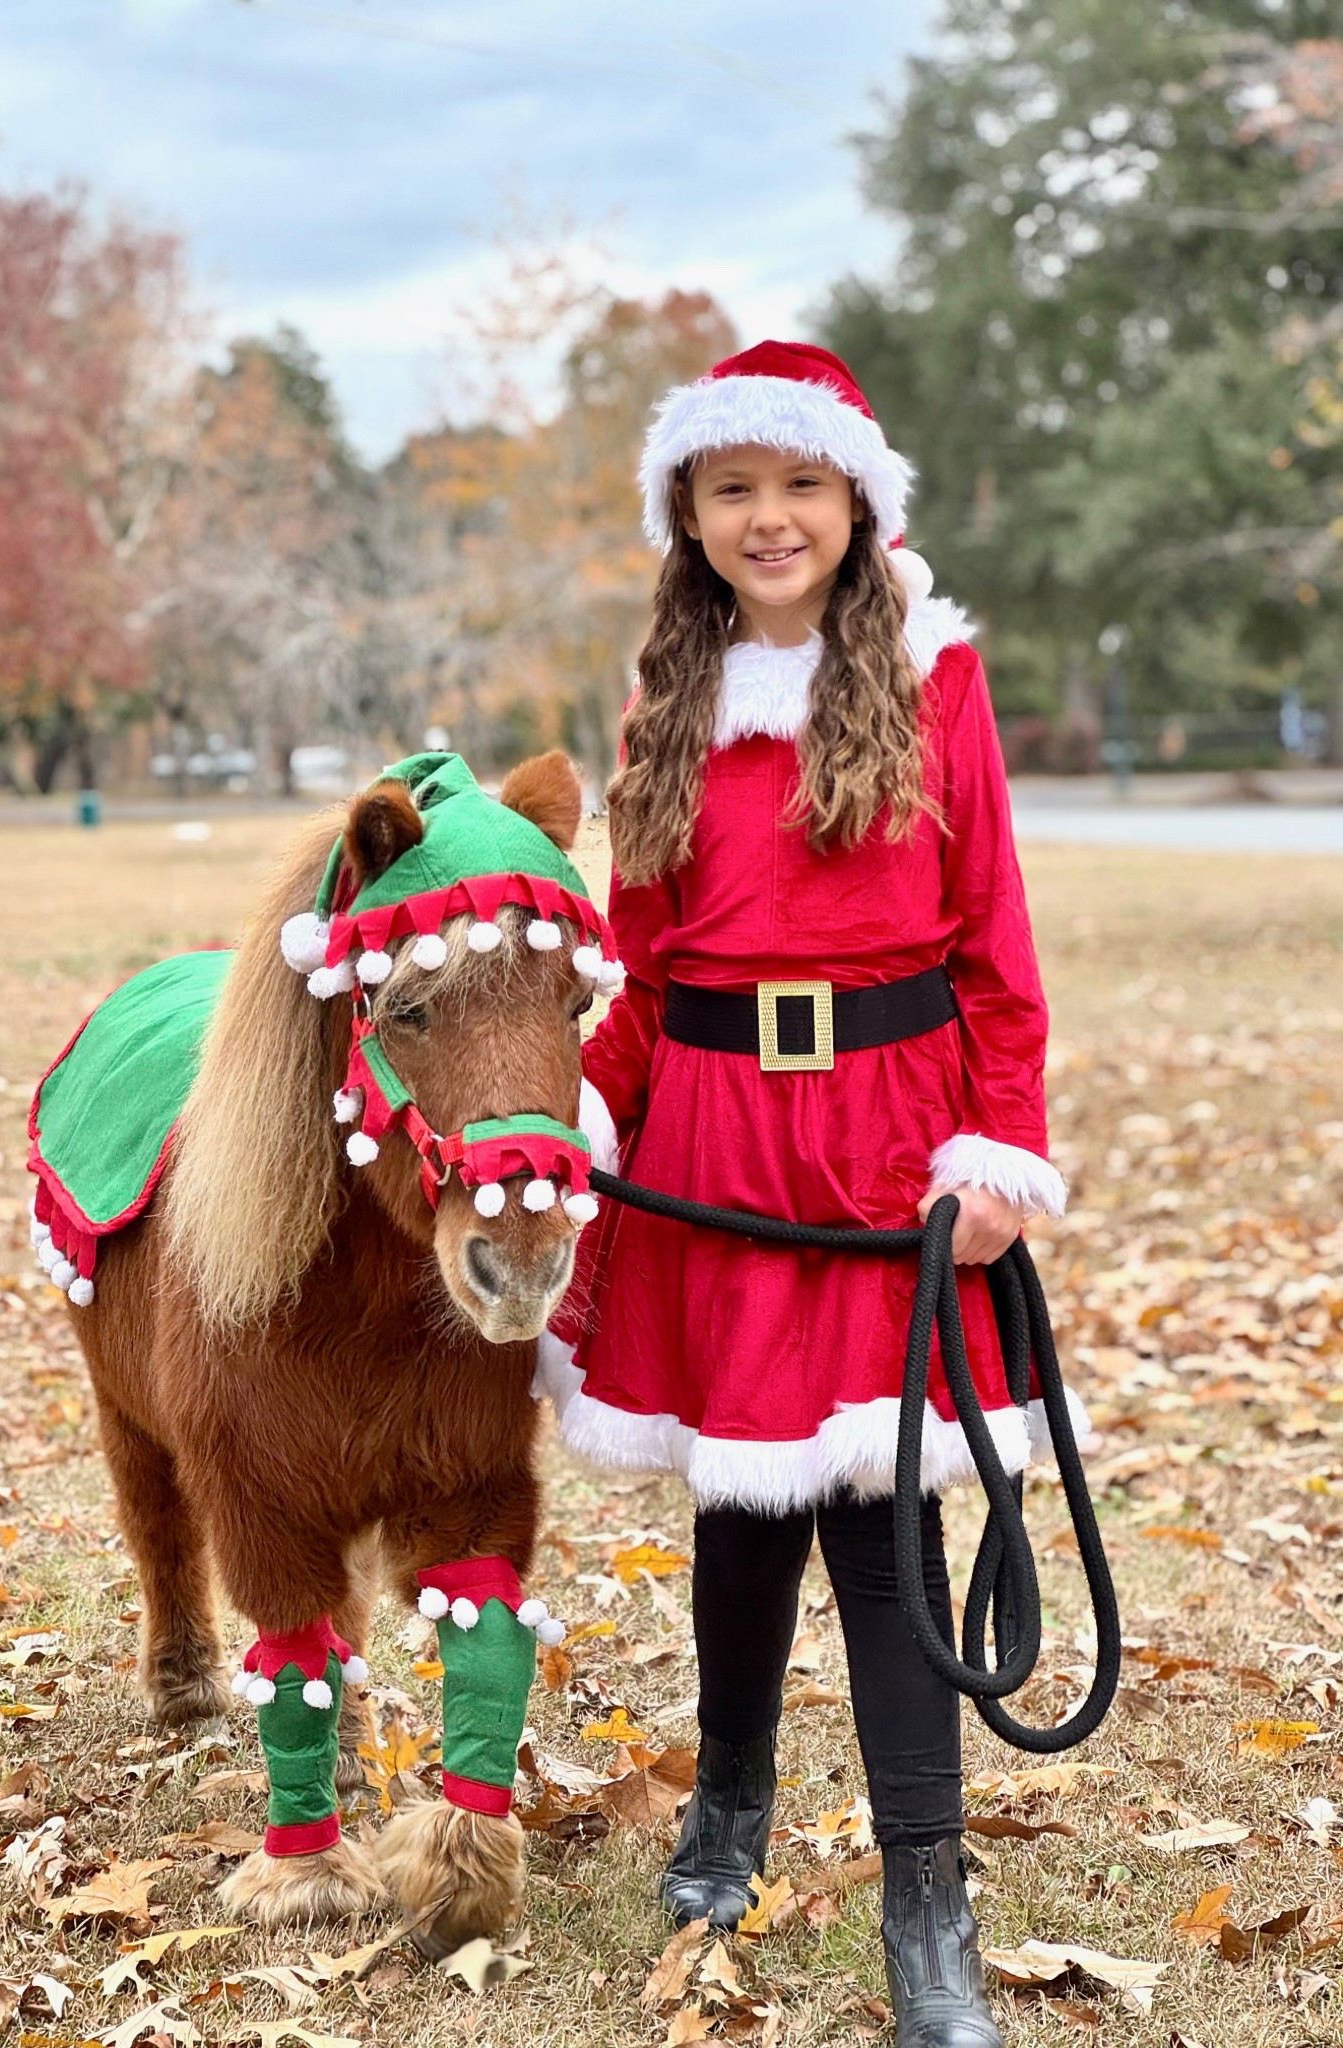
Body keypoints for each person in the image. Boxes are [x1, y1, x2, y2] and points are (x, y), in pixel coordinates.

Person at [540, 340, 1088, 2048]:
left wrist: (997, 1147)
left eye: (798, 484)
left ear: (854, 502)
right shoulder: (664, 704)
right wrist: (579, 1140)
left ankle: (928, 1896)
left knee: (876, 1513)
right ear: (687, 517)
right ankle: (728, 1795)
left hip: (880, 1134)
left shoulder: (937, 678)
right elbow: (629, 968)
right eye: (731, 488)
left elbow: (993, 940)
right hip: (706, 1133)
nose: (767, 517)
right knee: (737, 1495)